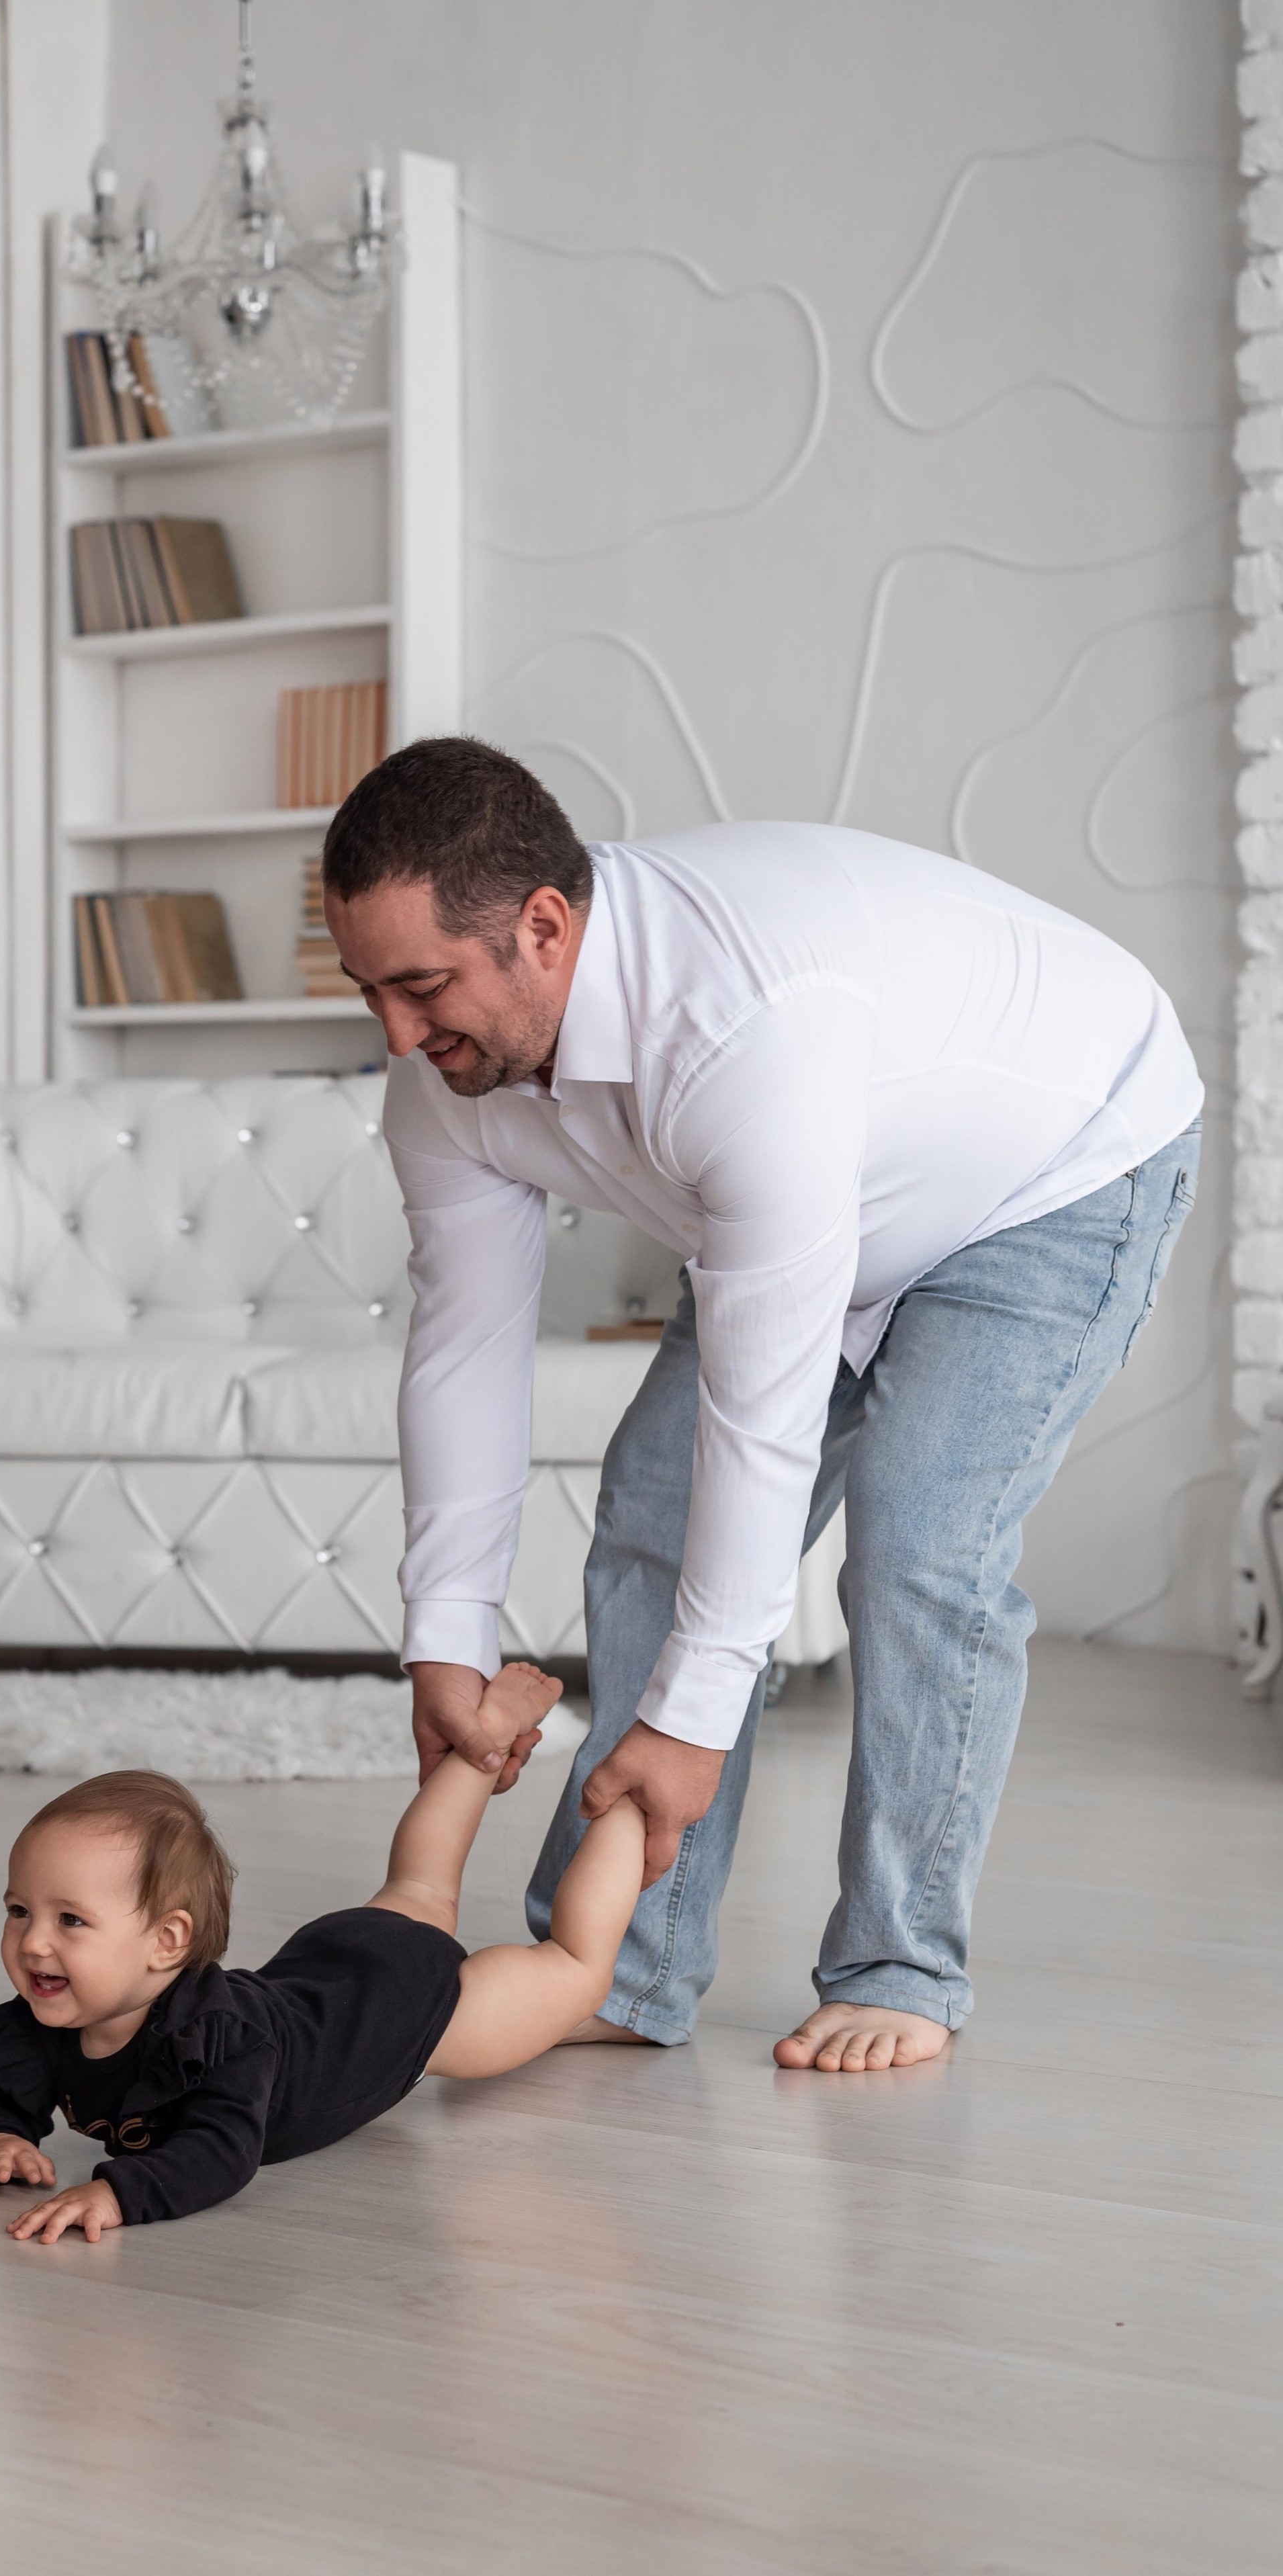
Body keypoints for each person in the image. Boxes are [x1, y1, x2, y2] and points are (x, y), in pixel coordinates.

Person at [320, 738, 1203, 2072]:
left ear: (542, 927)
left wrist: (692, 1722)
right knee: (652, 1509)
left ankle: (899, 1965)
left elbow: (762, 1409)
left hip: (1055, 1164)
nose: (394, 1033)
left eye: (422, 986)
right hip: (832, 1179)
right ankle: (618, 1963)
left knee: (918, 1543)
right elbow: (465, 1347)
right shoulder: (443, 1077)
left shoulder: (737, 1026)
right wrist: (444, 1633)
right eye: (368, 990)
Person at [0, 1662, 643, 2241]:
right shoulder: (50, 2016)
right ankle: (486, 1737)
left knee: (577, 1968)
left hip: (408, 2021)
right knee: (419, 1883)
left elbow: (222, 2152)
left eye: (70, 1921)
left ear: (167, 1941)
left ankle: (629, 1801)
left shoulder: (213, 2042)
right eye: (19, 1911)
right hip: (336, 1957)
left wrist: (119, 2193)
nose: (33, 1942)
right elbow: (1, 2095)